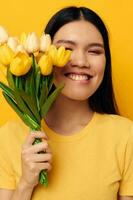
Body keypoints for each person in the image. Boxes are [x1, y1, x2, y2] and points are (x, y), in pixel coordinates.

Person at [0, 6, 133, 200]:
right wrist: (25, 184)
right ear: (44, 55)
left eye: (94, 51)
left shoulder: (125, 136)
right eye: (67, 49)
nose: (81, 61)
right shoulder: (8, 137)